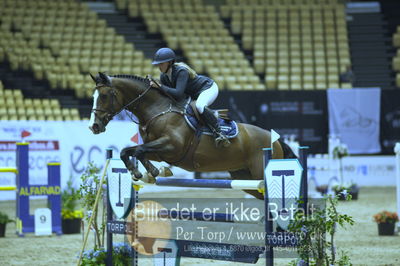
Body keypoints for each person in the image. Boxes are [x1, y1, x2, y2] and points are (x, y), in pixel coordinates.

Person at [150, 47, 230, 148]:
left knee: (200, 106)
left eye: (161, 63)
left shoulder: (181, 71)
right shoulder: (164, 76)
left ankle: (220, 132)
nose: (159, 66)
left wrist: (160, 86)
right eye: (158, 64)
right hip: (195, 94)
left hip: (208, 88)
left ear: (169, 62)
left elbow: (178, 93)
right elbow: (170, 95)